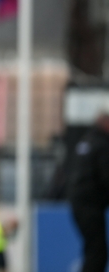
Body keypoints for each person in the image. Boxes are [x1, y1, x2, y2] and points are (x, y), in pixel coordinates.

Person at [67, 105, 109, 272]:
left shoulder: (86, 141)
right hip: (90, 205)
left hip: (79, 203)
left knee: (94, 248)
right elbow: (106, 177)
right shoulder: (102, 144)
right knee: (97, 251)